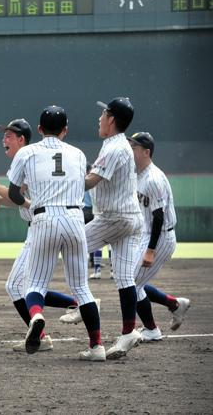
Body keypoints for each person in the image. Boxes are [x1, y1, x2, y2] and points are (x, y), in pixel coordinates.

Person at [7, 106, 104, 361]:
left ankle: (37, 316)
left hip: (45, 218)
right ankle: (97, 346)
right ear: (65, 130)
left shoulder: (27, 152)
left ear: (39, 129)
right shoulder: (79, 154)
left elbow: (13, 193)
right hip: (75, 218)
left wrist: (27, 197)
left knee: (34, 284)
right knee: (82, 288)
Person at [0, 118, 82, 351]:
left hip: (42, 229)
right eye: (3, 135)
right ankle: (74, 308)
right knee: (23, 287)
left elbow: (27, 201)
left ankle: (72, 311)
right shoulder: (26, 159)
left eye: (8, 135)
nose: (3, 139)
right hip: (39, 228)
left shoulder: (29, 158)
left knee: (18, 286)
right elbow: (16, 200)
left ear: (21, 139)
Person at [85, 97, 144, 359]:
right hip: (129, 218)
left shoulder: (114, 147)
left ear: (111, 119)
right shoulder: (118, 145)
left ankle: (81, 302)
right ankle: (129, 331)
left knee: (72, 246)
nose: (99, 118)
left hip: (115, 218)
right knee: (124, 277)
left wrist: (57, 180)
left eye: (102, 114)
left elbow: (90, 181)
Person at [127, 132, 190, 340]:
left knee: (131, 284)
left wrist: (150, 250)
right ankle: (174, 304)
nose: (131, 150)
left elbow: (159, 217)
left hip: (161, 236)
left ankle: (152, 330)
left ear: (146, 152)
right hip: (146, 234)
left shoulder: (153, 178)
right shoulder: (137, 174)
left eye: (134, 147)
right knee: (132, 281)